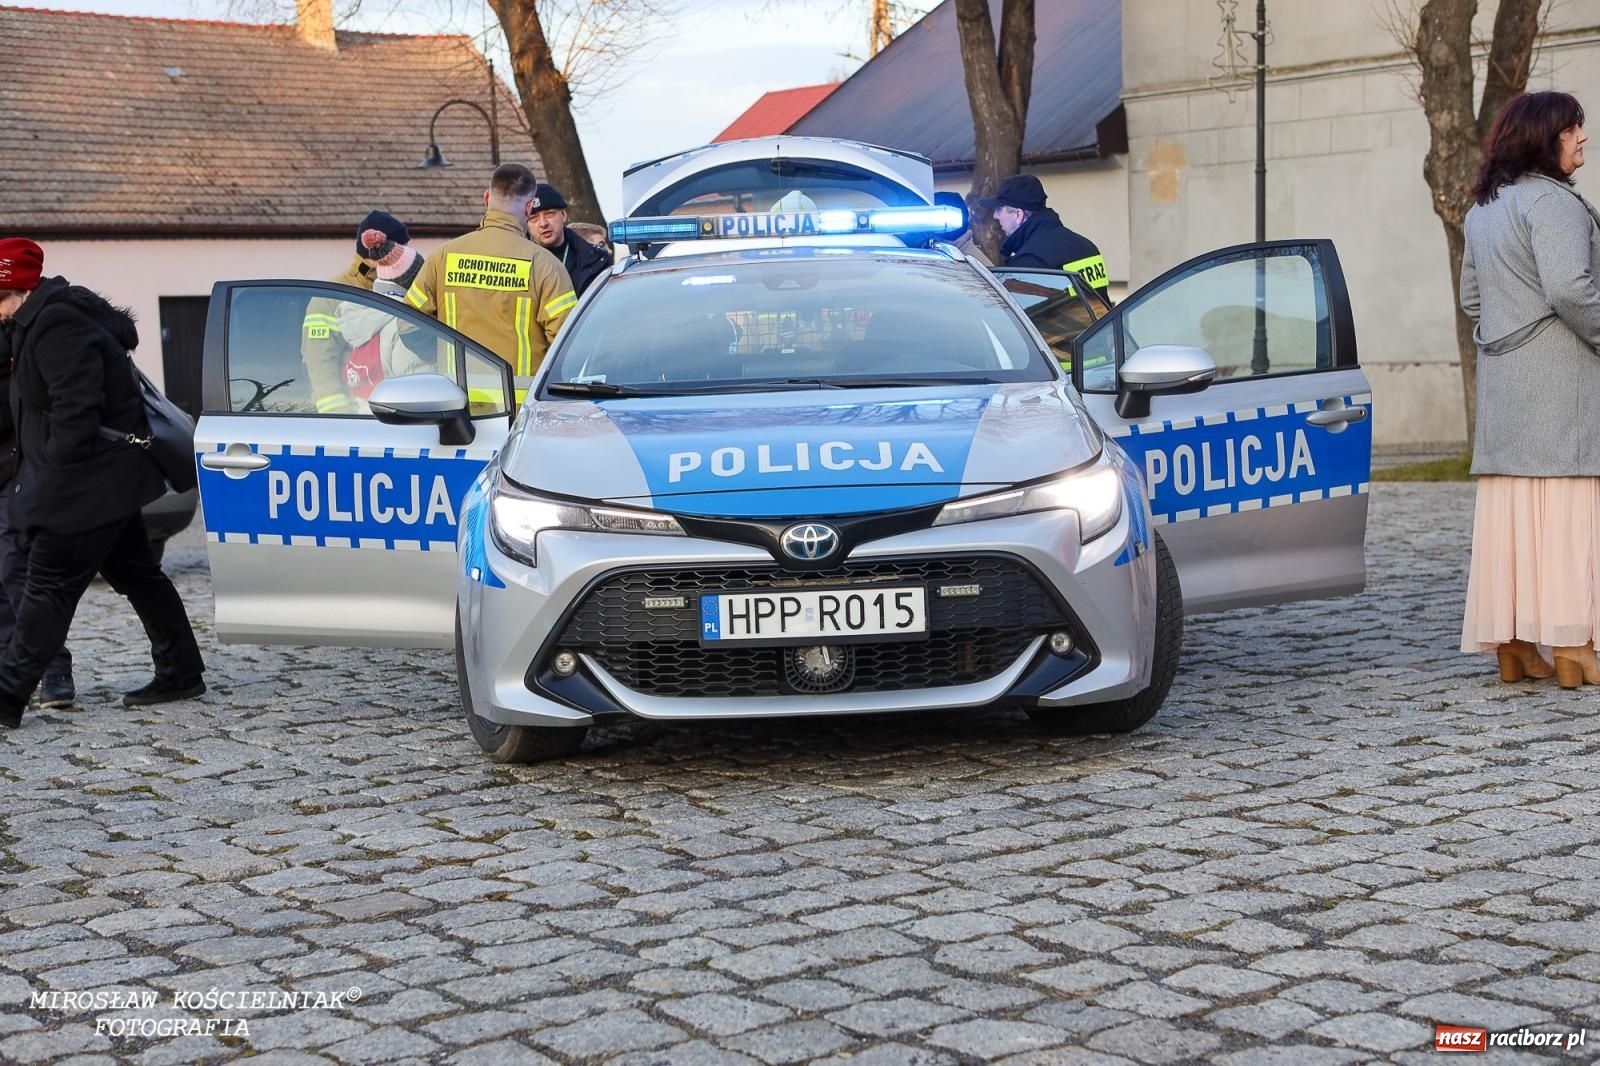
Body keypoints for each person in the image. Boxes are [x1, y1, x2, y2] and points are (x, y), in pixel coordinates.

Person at [0, 238, 205, 727]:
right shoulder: (35, 319)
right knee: (139, 575)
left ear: (17, 288)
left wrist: (49, 477)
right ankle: (181, 670)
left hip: (84, 487)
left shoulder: (59, 326)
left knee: (47, 587)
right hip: (107, 483)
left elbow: (78, 412)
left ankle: (7, 695)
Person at [1459, 90, 1600, 688]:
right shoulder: (1554, 204)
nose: (1582, 139)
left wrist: (1508, 337)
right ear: (1547, 137)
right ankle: (1574, 648)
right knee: (1571, 508)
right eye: (1574, 129)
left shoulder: (1484, 209)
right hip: (1561, 381)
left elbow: (1472, 300)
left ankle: (1514, 646)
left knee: (1512, 515)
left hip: (1505, 388)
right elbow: (1572, 290)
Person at [405, 164, 577, 380]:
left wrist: (443, 357)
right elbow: (570, 342)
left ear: (487, 198)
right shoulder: (545, 266)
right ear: (529, 207)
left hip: (456, 399)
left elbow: (408, 326)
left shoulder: (442, 258)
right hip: (517, 403)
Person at [0, 311, 75, 709]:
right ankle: (11, 672)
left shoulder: (16, 334)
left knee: (15, 571)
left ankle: (53, 670)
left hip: (15, 470)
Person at [303, 210, 409, 414]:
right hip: (353, 417)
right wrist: (339, 417)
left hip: (392, 412)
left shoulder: (397, 288)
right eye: (400, 249)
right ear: (380, 252)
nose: (403, 256)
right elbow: (320, 363)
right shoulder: (330, 296)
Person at [336, 229, 433, 399]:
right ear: (412, 281)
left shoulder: (361, 314)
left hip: (363, 416)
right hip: (395, 421)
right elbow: (418, 393)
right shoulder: (405, 325)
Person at [979, 173, 1110, 299]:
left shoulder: (1027, 263)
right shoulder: (1087, 246)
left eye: (999, 209)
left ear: (1018, 215)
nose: (995, 216)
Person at [527, 183, 612, 298]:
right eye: (534, 218)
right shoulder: (519, 263)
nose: (543, 223)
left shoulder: (596, 259)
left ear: (564, 215)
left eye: (549, 214)